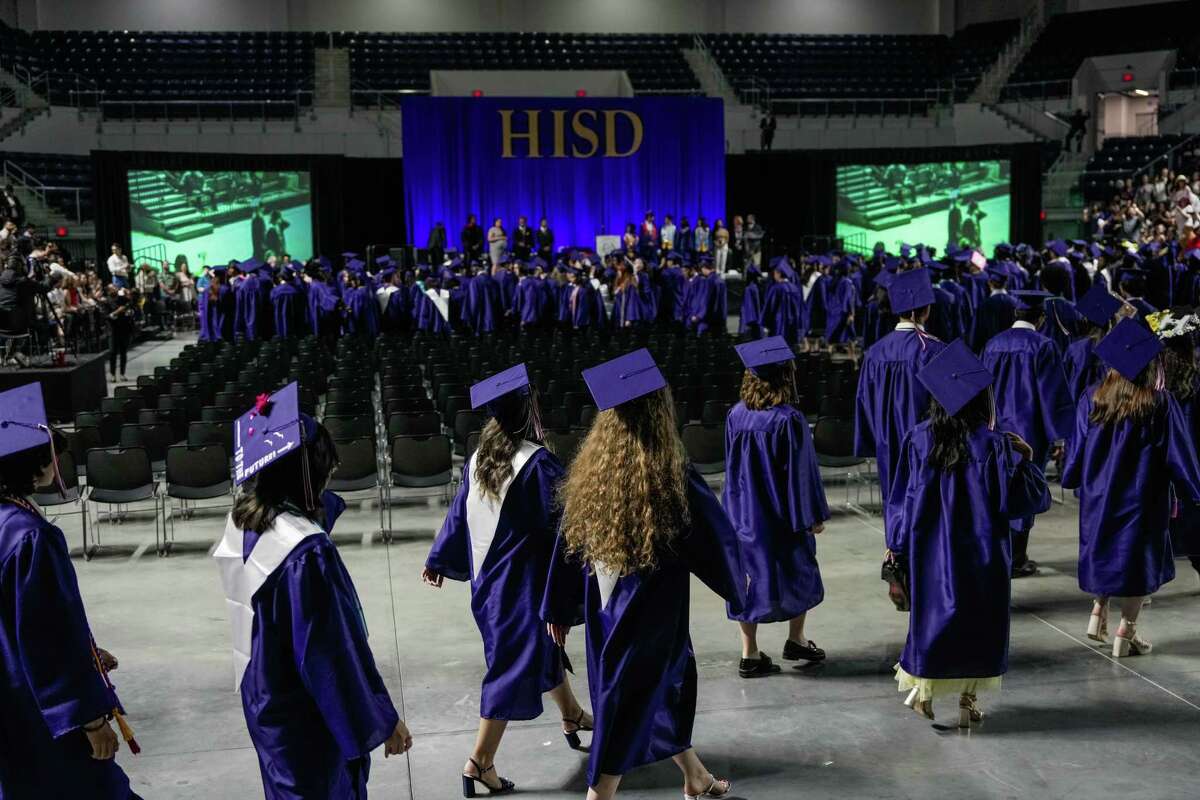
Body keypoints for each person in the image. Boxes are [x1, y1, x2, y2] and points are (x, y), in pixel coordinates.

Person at [542, 349, 741, 800]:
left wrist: (558, 604)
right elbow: (713, 536)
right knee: (630, 702)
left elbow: (567, 541)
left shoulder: (592, 470)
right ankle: (601, 794)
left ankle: (695, 777)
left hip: (605, 608)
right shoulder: (670, 474)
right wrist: (737, 581)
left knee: (655, 691)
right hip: (652, 612)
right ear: (659, 411)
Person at [214, 384, 413, 799]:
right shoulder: (307, 555)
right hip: (308, 719)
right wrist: (381, 717)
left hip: (266, 699)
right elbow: (329, 655)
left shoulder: (244, 520)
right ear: (306, 473)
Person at [423, 365, 593, 796]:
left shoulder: (482, 458)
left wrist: (439, 558)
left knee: (537, 650)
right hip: (522, 588)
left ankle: (571, 713)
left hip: (490, 587)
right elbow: (566, 528)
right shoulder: (537, 466)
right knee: (510, 669)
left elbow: (459, 513)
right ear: (529, 414)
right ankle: (479, 762)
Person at [888, 341, 1051, 723]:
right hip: (983, 551)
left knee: (932, 618)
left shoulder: (918, 438)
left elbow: (902, 499)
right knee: (979, 624)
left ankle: (924, 692)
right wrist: (1027, 459)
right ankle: (966, 703)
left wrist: (896, 545)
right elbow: (1027, 501)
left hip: (930, 551)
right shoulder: (995, 445)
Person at [0, 383, 142, 798]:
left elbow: (19, 619)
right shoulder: (30, 537)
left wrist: (88, 654)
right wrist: (91, 719)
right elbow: (46, 637)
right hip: (43, 715)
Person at [1063, 319, 1200, 656]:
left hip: (1098, 494)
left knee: (1103, 551)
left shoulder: (1091, 398)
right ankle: (1126, 633)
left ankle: (1098, 611)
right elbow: (1178, 456)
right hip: (1143, 498)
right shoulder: (1159, 403)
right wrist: (1193, 490)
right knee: (1137, 563)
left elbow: (1075, 452)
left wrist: (1072, 477)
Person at [725, 338, 829, 679]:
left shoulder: (735, 416)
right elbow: (801, 475)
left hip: (744, 514)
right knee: (797, 570)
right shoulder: (789, 419)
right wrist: (810, 517)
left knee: (746, 581)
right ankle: (796, 638)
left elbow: (731, 470)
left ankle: (749, 653)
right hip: (782, 515)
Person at [982, 290, 1074, 578]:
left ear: (1014, 315)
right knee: (1024, 489)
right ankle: (1018, 557)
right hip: (1030, 431)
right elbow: (1051, 395)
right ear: (1042, 319)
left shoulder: (992, 344)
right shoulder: (1044, 346)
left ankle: (998, 553)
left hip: (994, 430)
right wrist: (1060, 436)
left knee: (995, 488)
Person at [855, 269, 946, 535]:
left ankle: (896, 559)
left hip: (887, 441)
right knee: (926, 504)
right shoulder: (934, 350)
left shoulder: (874, 352)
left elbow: (864, 400)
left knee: (893, 502)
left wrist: (875, 438)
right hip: (926, 443)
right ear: (926, 310)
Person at [104, 285, 135, 382]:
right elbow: (107, 316)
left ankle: (122, 374)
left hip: (124, 328)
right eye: (112, 288)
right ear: (109, 291)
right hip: (113, 329)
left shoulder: (123, 299)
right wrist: (117, 312)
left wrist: (130, 312)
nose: (115, 288)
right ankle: (112, 374)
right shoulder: (106, 301)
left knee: (123, 352)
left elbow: (131, 306)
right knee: (113, 352)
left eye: (115, 287)